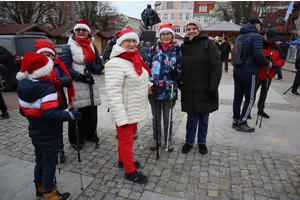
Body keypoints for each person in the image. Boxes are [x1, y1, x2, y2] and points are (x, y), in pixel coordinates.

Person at [16, 52, 81, 200]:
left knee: (39, 161)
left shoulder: (22, 87)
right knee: (49, 165)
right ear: (45, 70)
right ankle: (50, 194)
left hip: (35, 132)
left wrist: (35, 117)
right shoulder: (48, 90)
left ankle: (39, 188)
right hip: (50, 134)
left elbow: (22, 111)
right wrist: (71, 115)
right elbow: (51, 114)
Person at [105, 27, 151, 184]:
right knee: (127, 142)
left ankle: (122, 161)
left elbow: (138, 80)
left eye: (134, 41)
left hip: (134, 108)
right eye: (127, 41)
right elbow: (113, 93)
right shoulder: (115, 63)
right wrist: (120, 116)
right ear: (120, 43)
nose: (131, 44)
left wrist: (151, 86)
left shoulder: (133, 58)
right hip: (125, 111)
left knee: (127, 140)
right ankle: (130, 171)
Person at [180, 19, 222, 155]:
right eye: (188, 29)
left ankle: (202, 142)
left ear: (199, 29)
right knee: (191, 118)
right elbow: (181, 66)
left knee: (204, 118)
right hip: (190, 89)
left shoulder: (208, 44)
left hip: (206, 88)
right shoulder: (184, 46)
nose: (191, 31)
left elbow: (217, 67)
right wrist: (178, 78)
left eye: (194, 28)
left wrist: (213, 87)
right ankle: (189, 141)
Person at [62, 20, 104, 150]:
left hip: (91, 84)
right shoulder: (68, 47)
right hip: (77, 85)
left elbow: (99, 64)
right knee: (77, 111)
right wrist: (80, 77)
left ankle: (90, 133)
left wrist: (94, 68)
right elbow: (66, 67)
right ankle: (76, 139)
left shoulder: (92, 46)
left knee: (90, 110)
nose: (81, 32)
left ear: (88, 33)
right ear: (74, 31)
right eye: (78, 30)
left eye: (84, 30)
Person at [34, 39, 75, 163]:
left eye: (48, 55)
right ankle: (43, 147)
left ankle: (60, 148)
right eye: (43, 55)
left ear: (53, 55)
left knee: (58, 126)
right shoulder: (33, 67)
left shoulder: (57, 65)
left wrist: (59, 82)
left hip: (57, 101)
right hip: (40, 102)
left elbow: (68, 79)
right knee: (44, 126)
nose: (46, 58)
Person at [145, 23, 182, 152]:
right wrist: (150, 81)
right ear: (160, 36)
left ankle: (168, 140)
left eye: (168, 34)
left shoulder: (178, 50)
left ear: (172, 35)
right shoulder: (153, 49)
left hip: (169, 89)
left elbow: (181, 68)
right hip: (154, 88)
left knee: (168, 118)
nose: (166, 36)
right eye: (163, 34)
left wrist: (177, 74)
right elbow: (146, 66)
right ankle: (156, 139)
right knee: (156, 117)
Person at [232, 17, 272, 133]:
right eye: (260, 25)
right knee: (250, 98)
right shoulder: (256, 37)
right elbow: (258, 56)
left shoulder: (239, 36)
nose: (261, 27)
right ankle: (242, 122)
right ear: (256, 24)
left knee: (238, 96)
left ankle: (235, 120)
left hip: (237, 70)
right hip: (249, 72)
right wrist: (268, 63)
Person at [256, 30, 286, 118]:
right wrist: (263, 60)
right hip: (258, 74)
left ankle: (261, 110)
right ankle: (247, 110)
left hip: (269, 75)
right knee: (252, 94)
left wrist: (277, 64)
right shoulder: (259, 45)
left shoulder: (276, 47)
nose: (271, 41)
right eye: (270, 39)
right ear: (264, 36)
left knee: (264, 94)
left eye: (273, 39)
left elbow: (283, 59)